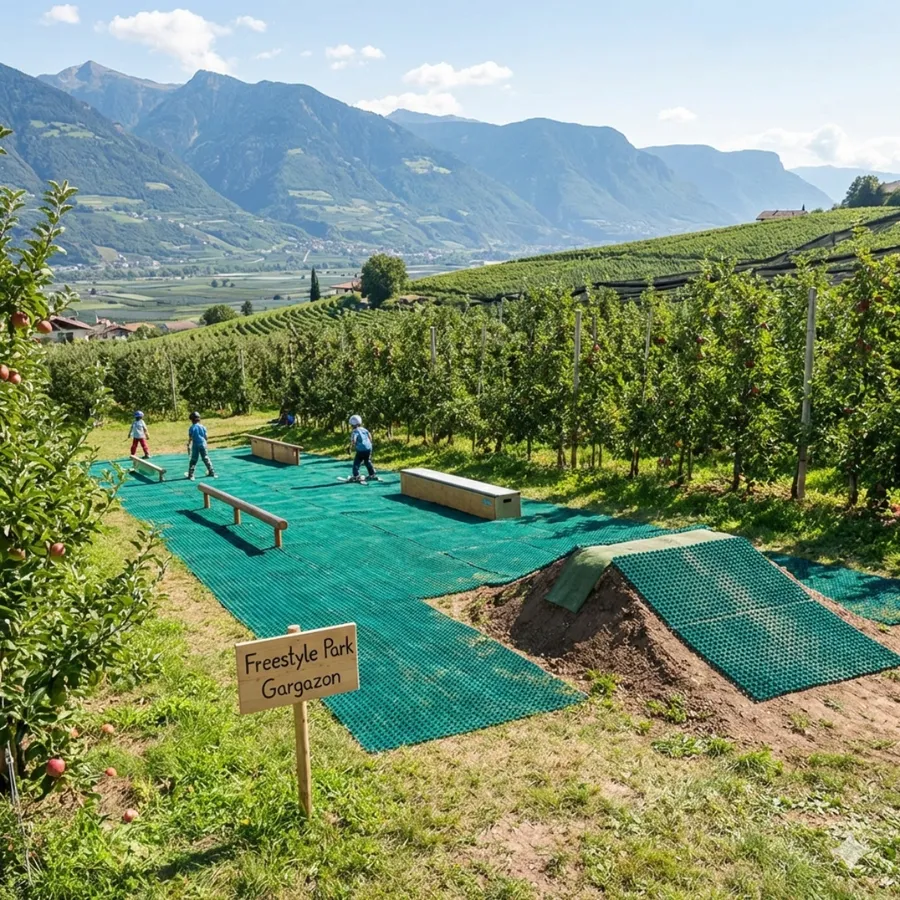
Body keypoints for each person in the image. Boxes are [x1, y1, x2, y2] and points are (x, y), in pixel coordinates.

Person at [186, 411, 217, 480]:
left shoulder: (192, 428)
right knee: (206, 458)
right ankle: (212, 472)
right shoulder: (203, 427)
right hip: (203, 444)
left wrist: (189, 444)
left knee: (194, 459)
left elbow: (190, 437)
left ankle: (191, 475)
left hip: (196, 445)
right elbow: (206, 437)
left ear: (192, 420)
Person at [348, 414, 377, 482]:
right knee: (367, 461)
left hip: (360, 450)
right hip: (368, 448)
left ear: (353, 424)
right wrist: (370, 443)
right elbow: (370, 436)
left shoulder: (355, 431)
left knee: (357, 463)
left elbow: (354, 440)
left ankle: (356, 476)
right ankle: (372, 474)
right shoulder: (364, 429)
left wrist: (352, 446)